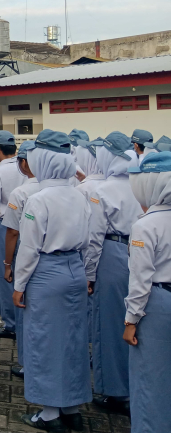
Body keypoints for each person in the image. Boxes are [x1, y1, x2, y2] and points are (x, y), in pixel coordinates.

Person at [13, 130, 91, 431]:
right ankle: (72, 408)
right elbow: (89, 241)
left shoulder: (37, 200)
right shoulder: (80, 195)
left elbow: (29, 249)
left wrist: (19, 285)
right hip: (75, 268)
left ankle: (49, 414)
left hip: (46, 272)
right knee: (72, 340)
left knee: (44, 340)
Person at [86, 131, 139, 415]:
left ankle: (116, 392)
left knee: (109, 324)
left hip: (112, 254)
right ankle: (136, 387)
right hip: (140, 254)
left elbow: (94, 237)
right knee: (135, 321)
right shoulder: (141, 184)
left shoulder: (102, 190)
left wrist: (89, 273)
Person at [124, 151, 171, 433]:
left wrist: (131, 320)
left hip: (157, 304)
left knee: (150, 377)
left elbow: (140, 280)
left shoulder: (145, 225)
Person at [1, 140, 38, 378]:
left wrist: (7, 264)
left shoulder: (22, 192)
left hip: (28, 253)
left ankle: (28, 363)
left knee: (26, 308)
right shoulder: (68, 189)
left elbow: (13, 233)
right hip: (62, 262)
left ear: (24, 163)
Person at [0, 130, 22, 340]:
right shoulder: (25, 167)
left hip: (4, 227)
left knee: (3, 276)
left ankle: (11, 323)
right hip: (27, 227)